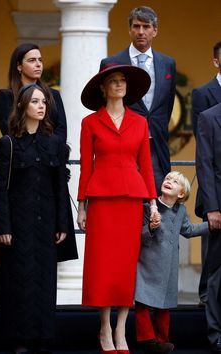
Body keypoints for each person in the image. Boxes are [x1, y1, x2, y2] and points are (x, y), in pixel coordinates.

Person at [77, 63, 157, 354]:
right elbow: (87, 164)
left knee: (125, 267)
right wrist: (82, 206)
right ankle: (104, 327)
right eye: (114, 80)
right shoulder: (90, 123)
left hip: (131, 200)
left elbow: (146, 165)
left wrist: (153, 203)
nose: (120, 85)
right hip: (101, 200)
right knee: (103, 266)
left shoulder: (140, 122)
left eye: (123, 80)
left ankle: (121, 329)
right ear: (103, 87)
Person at [0, 84, 78, 354]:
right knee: (18, 281)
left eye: (44, 102)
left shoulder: (54, 143)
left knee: (44, 280)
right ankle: (20, 339)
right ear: (22, 106)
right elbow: (0, 189)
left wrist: (64, 224)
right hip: (17, 226)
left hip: (46, 224)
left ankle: (43, 337)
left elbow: (59, 187)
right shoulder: (7, 143)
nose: (42, 106)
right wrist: (2, 226)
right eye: (36, 102)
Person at [100, 6, 176, 193]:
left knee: (158, 198)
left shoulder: (168, 63)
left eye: (146, 26)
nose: (140, 31)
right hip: (123, 144)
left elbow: (167, 104)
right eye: (136, 26)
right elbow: (105, 105)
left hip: (156, 144)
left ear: (155, 30)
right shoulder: (111, 63)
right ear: (129, 29)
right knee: (125, 194)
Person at [135, 171, 209, 353]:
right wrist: (150, 228)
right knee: (142, 301)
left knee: (164, 303)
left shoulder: (181, 211)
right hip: (146, 265)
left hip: (168, 266)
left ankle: (162, 339)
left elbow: (189, 230)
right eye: (168, 178)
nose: (169, 181)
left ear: (181, 194)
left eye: (175, 181)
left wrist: (211, 225)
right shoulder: (148, 207)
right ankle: (147, 339)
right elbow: (138, 236)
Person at [192, 41, 221, 305]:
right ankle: (206, 296)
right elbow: (204, 152)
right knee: (212, 252)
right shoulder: (203, 94)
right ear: (216, 61)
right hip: (213, 185)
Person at [0, 43, 68, 142]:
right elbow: (9, 131)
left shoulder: (54, 94)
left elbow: (61, 131)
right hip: (21, 154)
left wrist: (50, 150)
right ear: (19, 66)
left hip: (50, 154)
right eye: (32, 60)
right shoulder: (7, 96)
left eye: (40, 60)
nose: (38, 64)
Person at [196, 102, 221, 352]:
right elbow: (204, 165)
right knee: (217, 276)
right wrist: (212, 208)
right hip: (219, 208)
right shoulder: (208, 117)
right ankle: (217, 334)